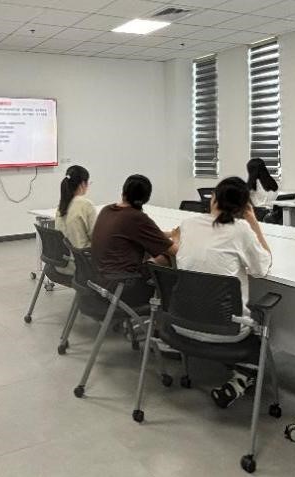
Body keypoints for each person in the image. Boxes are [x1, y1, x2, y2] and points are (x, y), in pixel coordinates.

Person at [175, 177, 273, 409]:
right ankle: (243, 374)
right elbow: (262, 268)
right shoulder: (241, 230)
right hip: (226, 331)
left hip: (181, 323)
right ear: (244, 207)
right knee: (262, 321)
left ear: (213, 198)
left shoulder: (188, 224)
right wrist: (253, 222)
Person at [90, 174, 178, 308]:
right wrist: (176, 238)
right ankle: (171, 309)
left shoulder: (107, 210)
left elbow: (142, 234)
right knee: (165, 258)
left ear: (123, 192)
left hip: (98, 282)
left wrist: (169, 234)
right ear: (146, 198)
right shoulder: (136, 217)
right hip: (122, 288)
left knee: (150, 256)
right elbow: (174, 251)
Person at [53, 165, 97, 274]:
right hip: (81, 265)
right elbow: (96, 238)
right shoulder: (86, 204)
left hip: (62, 264)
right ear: (83, 184)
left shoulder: (61, 205)